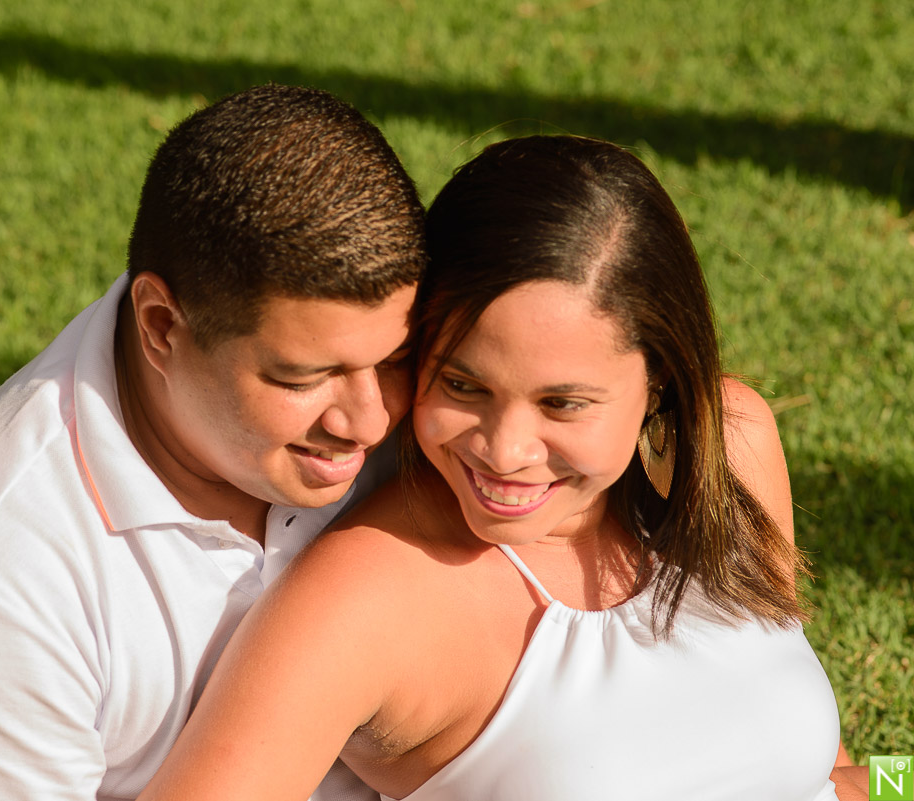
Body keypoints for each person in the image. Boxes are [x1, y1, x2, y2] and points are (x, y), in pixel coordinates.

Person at [136, 135, 851, 801]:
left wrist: (900, 779)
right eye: (462, 384)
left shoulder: (730, 451)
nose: (505, 451)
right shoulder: (375, 591)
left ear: (658, 377)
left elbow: (831, 766)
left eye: (563, 403)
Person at [0, 84, 427, 801]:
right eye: (303, 377)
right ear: (161, 326)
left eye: (395, 358)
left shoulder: (455, 403)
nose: (368, 421)